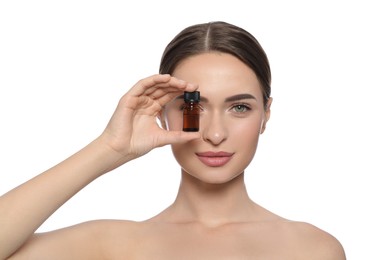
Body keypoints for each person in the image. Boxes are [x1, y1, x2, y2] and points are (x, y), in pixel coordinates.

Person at [0, 21, 346, 259]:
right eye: (193, 107)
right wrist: (109, 148)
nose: (214, 134)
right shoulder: (113, 245)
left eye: (239, 107)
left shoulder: (311, 249)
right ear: (162, 112)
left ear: (266, 115)